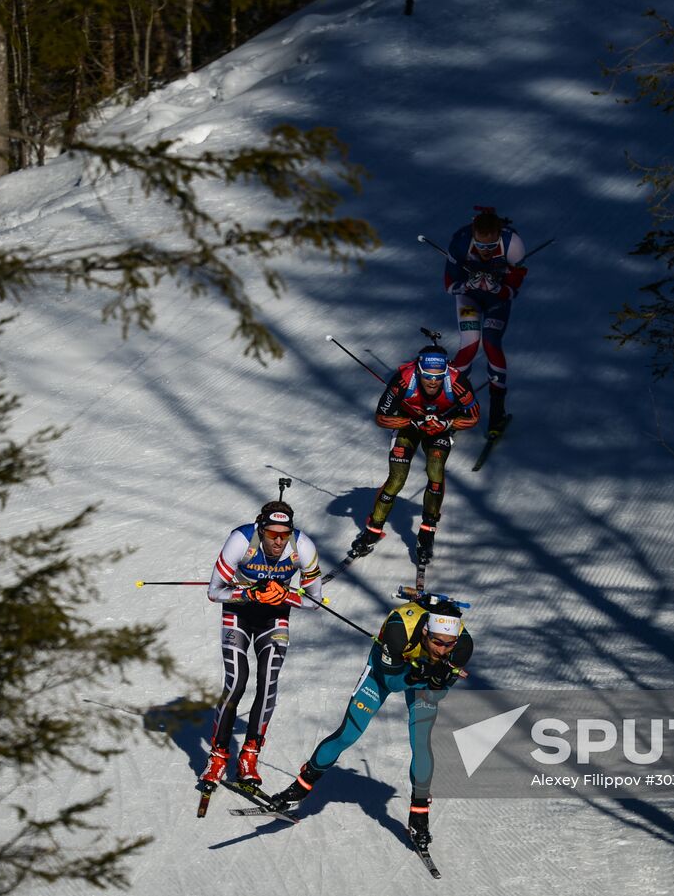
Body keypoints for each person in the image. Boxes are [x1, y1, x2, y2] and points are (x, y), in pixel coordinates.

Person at [267, 598, 473, 848]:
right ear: (426, 632)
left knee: (421, 742)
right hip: (384, 672)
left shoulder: (461, 647)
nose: (441, 650)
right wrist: (419, 674)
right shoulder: (400, 630)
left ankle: (419, 815)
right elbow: (392, 683)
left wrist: (438, 681)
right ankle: (298, 789)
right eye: (437, 642)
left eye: (447, 645)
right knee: (348, 734)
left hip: (419, 678)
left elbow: (436, 695)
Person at [200, 500, 323, 789]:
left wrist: (287, 596)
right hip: (238, 615)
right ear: (261, 529)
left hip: (275, 618)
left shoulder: (303, 547)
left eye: (284, 535)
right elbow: (214, 592)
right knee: (236, 682)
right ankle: (217, 757)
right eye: (272, 535)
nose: (279, 541)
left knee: (268, 682)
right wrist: (251, 593)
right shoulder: (241, 540)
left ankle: (249, 757)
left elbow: (315, 600)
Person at [350, 344, 479, 565]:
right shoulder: (403, 379)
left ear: (446, 373)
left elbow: (473, 417)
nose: (433, 381)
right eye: (428, 376)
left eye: (439, 377)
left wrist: (447, 422)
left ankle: (427, 531)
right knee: (397, 477)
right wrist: (412, 421)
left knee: (435, 471)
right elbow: (381, 417)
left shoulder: (457, 383)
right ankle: (373, 529)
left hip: (439, 428)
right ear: (419, 371)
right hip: (408, 425)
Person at [442, 207, 526, 433]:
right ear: (473, 234)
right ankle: (454, 405)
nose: (485, 251)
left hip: (496, 301)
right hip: (469, 298)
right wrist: (467, 285)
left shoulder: (513, 244)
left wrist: (498, 287)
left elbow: (513, 290)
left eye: (490, 246)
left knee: (490, 342)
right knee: (469, 345)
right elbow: (449, 286)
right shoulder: (460, 242)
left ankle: (497, 413)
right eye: (480, 245)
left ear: (499, 234)